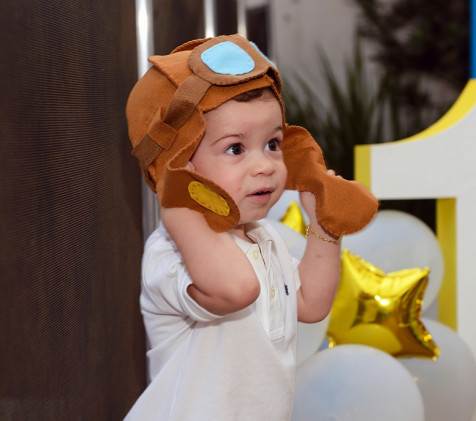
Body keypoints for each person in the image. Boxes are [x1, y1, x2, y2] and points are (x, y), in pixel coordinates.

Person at [124, 34, 378, 420]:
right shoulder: (172, 251)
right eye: (235, 149)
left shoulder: (264, 237)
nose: (265, 166)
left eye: (273, 144)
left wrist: (324, 227)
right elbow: (237, 290)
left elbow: (310, 305)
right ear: (180, 165)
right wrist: (178, 203)